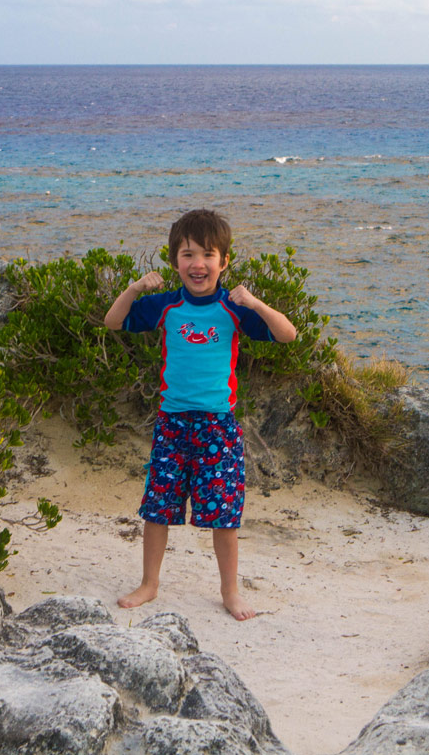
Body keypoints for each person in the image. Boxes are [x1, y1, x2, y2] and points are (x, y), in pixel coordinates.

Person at [103, 209, 297, 621]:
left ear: (223, 262)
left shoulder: (233, 307)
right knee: (157, 509)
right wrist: (135, 288)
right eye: (188, 254)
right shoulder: (165, 305)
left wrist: (255, 302)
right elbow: (113, 321)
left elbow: (288, 334)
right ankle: (149, 584)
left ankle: (230, 592)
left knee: (225, 515)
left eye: (208, 255)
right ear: (175, 261)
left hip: (218, 427)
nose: (198, 264)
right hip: (172, 425)